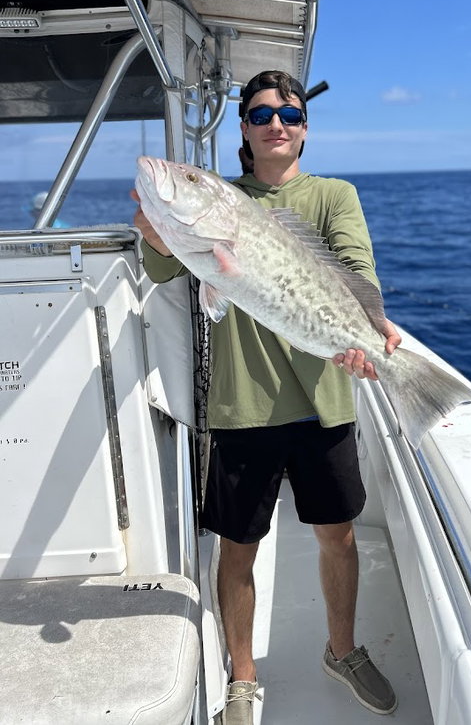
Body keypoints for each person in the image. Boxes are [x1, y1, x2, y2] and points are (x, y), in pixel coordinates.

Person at [133, 70, 401, 723]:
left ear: (305, 126)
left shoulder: (334, 194)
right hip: (243, 404)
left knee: (337, 538)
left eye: (289, 112)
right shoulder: (225, 201)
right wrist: (156, 227)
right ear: (244, 130)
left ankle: (342, 650)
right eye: (260, 114)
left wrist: (369, 330)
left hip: (326, 399)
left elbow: (357, 270)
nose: (276, 123)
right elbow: (168, 269)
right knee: (239, 547)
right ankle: (242, 678)